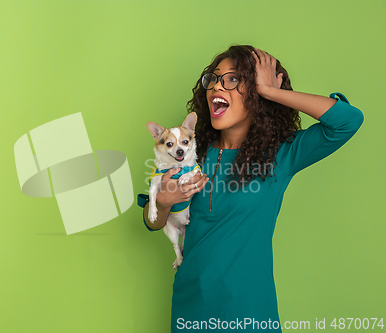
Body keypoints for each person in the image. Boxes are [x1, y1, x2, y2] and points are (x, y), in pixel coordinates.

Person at [137, 44, 364, 332]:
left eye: (233, 79)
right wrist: (165, 200)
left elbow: (347, 121)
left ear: (256, 93)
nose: (218, 86)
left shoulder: (281, 155)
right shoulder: (189, 154)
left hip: (249, 310)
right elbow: (153, 222)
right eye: (214, 78)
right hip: (190, 306)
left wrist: (272, 92)